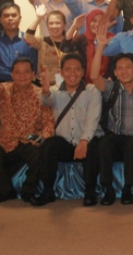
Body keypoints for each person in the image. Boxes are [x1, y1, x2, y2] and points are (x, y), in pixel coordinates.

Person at [0, 55, 55, 203]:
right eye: (18, 72)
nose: (22, 76)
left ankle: (28, 191)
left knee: (39, 153)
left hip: (29, 140)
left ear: (33, 74)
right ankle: (6, 190)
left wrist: (40, 138)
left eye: (26, 72)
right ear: (12, 75)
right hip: (5, 141)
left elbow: (48, 123)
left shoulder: (41, 95)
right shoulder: (4, 89)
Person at [31, 54, 103, 207]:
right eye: (68, 69)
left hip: (87, 140)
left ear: (83, 72)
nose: (72, 74)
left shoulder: (92, 91)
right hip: (65, 142)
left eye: (77, 69)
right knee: (48, 146)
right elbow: (45, 101)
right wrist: (45, 91)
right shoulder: (54, 90)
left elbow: (93, 119)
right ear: (61, 72)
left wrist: (84, 141)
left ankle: (90, 192)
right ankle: (48, 191)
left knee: (94, 147)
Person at [91, 25, 133, 205]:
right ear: (115, 73)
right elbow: (94, 77)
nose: (124, 71)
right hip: (115, 137)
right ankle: (108, 189)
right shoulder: (112, 88)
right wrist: (100, 47)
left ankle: (127, 189)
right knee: (104, 143)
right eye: (120, 69)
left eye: (128, 67)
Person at [24, 7, 80, 82]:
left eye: (58, 23)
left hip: (66, 84)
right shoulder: (42, 41)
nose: (54, 26)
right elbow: (27, 38)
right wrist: (38, 18)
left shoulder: (71, 43)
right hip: (43, 84)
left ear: (64, 25)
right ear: (47, 26)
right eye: (51, 23)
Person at [67, 9, 114, 84]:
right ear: (88, 21)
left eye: (101, 21)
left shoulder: (111, 39)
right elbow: (65, 48)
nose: (97, 24)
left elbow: (116, 63)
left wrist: (111, 78)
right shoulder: (82, 39)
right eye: (94, 21)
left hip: (105, 84)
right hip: (83, 85)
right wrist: (74, 27)